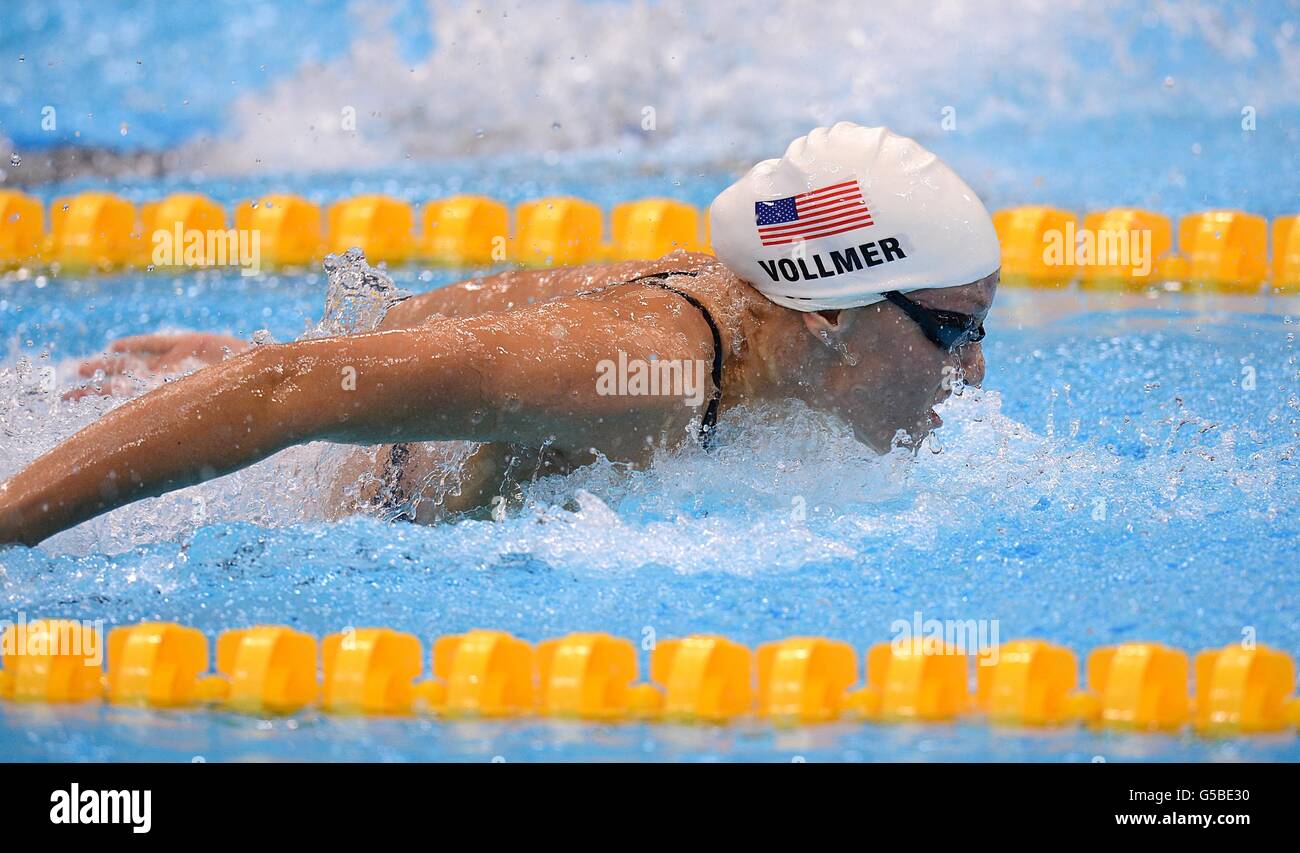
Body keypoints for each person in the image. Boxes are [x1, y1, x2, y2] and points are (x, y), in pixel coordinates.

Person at [0, 122, 999, 545]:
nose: (973, 374)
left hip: (389, 393)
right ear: (830, 313)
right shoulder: (644, 371)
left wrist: (357, 350)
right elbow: (284, 388)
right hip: (351, 492)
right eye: (953, 332)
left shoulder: (763, 330)